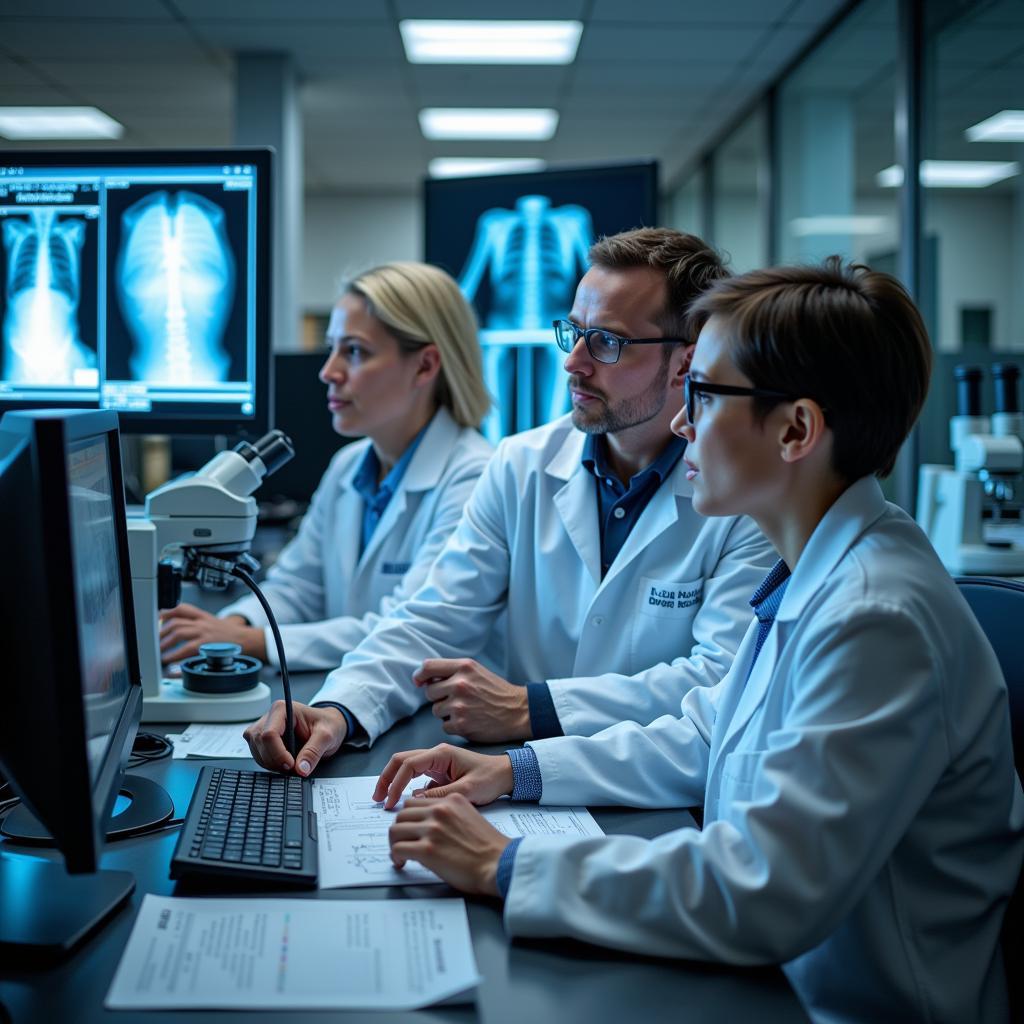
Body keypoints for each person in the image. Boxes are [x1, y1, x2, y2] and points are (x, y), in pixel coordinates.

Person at [374, 258, 1024, 1023]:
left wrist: (505, 863)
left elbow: (764, 888)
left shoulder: (876, 617)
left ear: (796, 430)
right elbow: (700, 734)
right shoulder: (820, 570)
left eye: (706, 396)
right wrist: (510, 772)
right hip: (771, 984)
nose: (682, 422)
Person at [243, 227, 776, 776]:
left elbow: (721, 679)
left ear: (686, 364)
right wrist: (340, 709)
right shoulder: (522, 465)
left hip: (660, 797)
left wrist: (534, 707)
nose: (574, 363)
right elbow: (432, 620)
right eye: (574, 332)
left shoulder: (743, 495)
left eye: (609, 342)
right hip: (520, 779)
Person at [158, 261, 494, 672]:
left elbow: (409, 629)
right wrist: (229, 625)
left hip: (439, 720)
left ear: (425, 365)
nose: (327, 371)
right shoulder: (348, 467)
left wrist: (250, 641)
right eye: (331, 347)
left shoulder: (475, 477)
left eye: (354, 351)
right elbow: (298, 587)